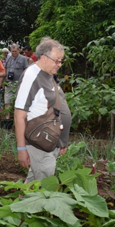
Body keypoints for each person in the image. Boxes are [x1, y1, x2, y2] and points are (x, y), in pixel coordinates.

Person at [14, 37, 71, 182]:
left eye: (61, 61)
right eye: (56, 60)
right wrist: (21, 149)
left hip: (50, 140)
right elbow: (19, 115)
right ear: (44, 57)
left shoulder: (49, 74)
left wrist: (62, 141)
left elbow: (57, 107)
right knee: (45, 187)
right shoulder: (31, 76)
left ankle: (22, 203)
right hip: (39, 142)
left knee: (33, 185)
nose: (59, 64)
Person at [3, 43, 28, 119]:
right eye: (12, 51)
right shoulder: (8, 58)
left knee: (18, 102)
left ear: (19, 50)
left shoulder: (23, 59)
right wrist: (3, 81)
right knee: (7, 101)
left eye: (15, 51)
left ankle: (17, 119)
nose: (14, 53)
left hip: (18, 84)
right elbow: (5, 69)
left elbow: (26, 70)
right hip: (9, 83)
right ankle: (7, 119)